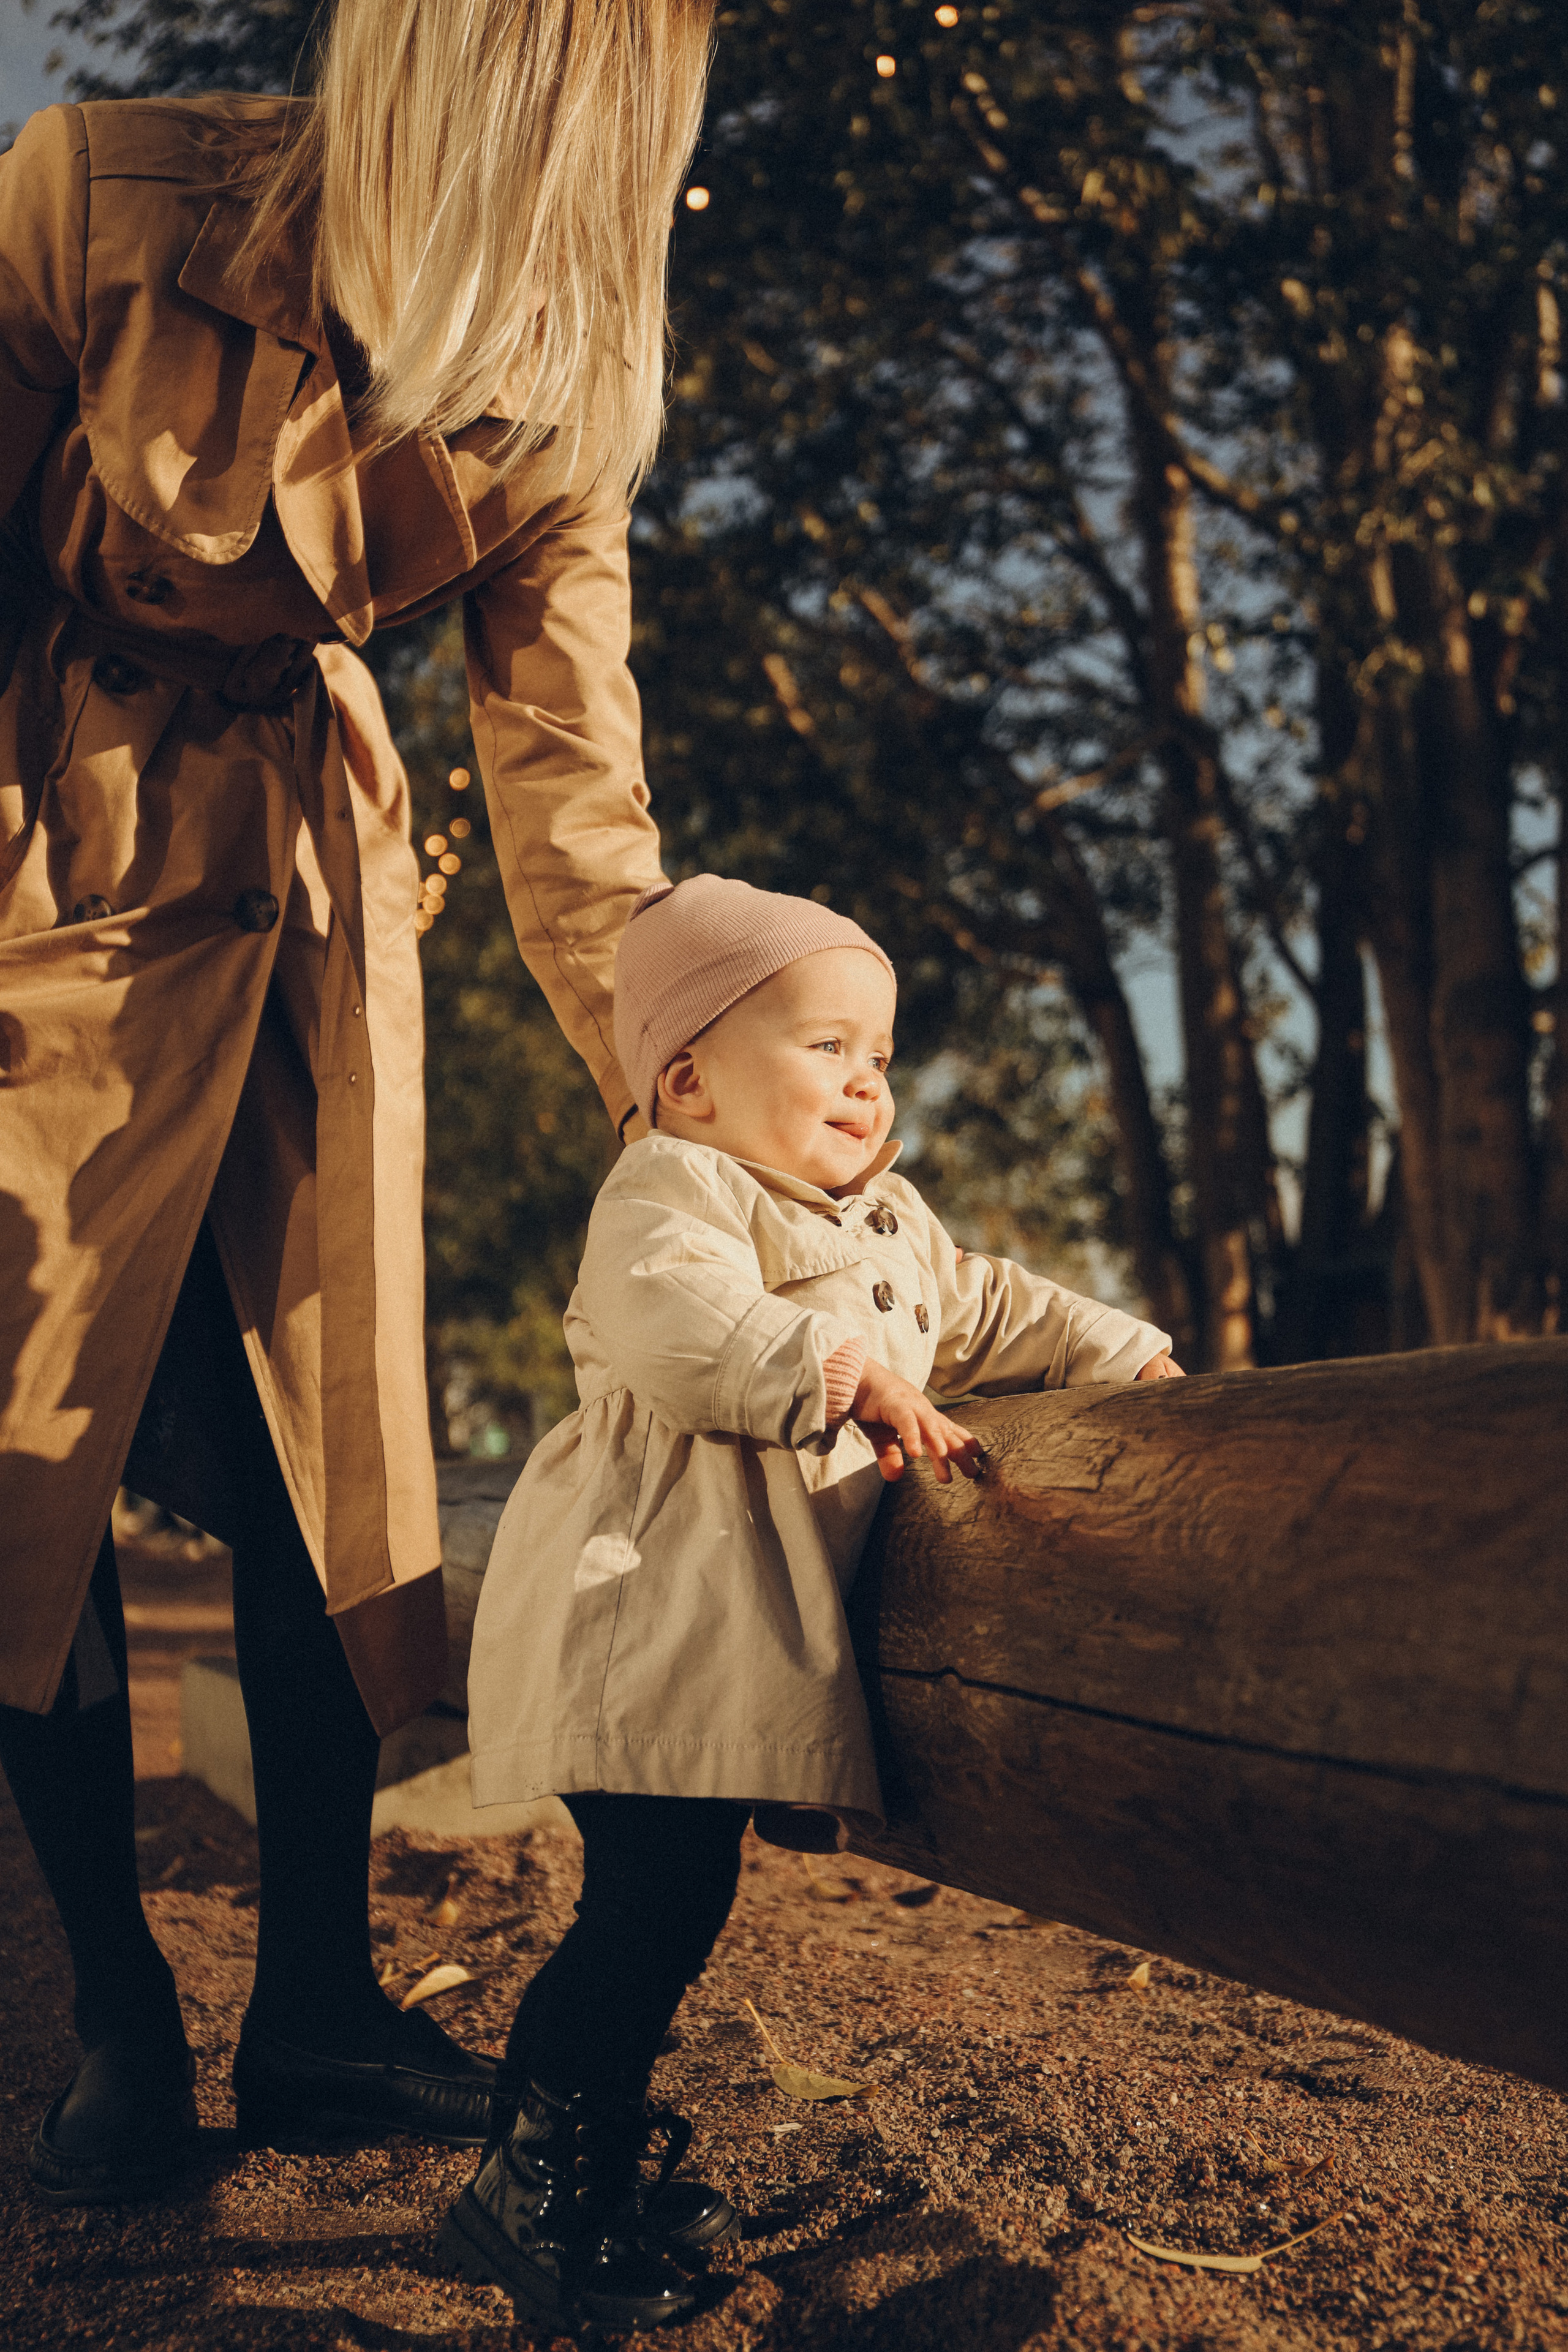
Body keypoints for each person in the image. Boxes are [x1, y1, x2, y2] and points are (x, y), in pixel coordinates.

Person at [0, 0, 715, 2205]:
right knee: (33, 1457)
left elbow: (582, 819)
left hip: (306, 898)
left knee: (327, 1463)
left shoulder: (570, 389)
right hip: (38, 855)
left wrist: (703, 1100)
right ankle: (119, 2018)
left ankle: (309, 2010)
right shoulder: (95, 194)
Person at [443, 873, 1184, 2330]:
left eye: (879, 1056)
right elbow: (675, 1318)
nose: (864, 1080)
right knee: (647, 1911)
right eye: (825, 1045)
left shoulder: (891, 1227)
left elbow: (995, 1303)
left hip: (707, 1636)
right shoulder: (673, 1189)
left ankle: (561, 2163)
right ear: (688, 1081)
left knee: (662, 1906)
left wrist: (1133, 1357)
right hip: (637, 1618)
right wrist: (844, 1373)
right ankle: (528, 2190)